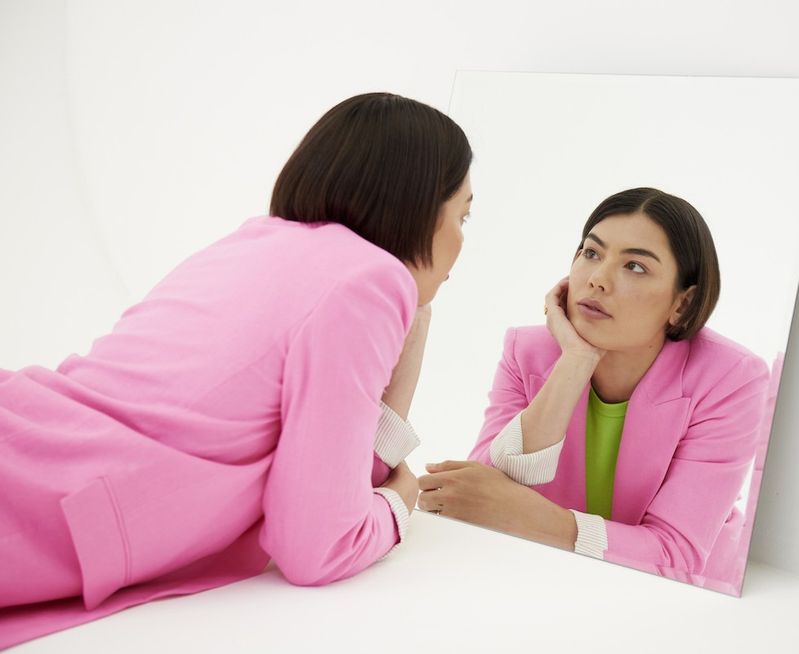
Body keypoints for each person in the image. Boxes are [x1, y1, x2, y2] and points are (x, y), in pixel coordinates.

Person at [0, 92, 472, 648]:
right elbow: (320, 543)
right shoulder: (368, 280)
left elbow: (335, 474)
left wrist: (415, 320)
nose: (463, 241)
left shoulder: (256, 243)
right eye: (462, 215)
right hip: (41, 498)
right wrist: (398, 505)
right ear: (419, 207)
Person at [418, 187, 769, 594]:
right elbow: (478, 499)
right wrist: (575, 362)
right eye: (591, 253)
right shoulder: (527, 351)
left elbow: (675, 554)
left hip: (680, 599)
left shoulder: (731, 378)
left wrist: (540, 520)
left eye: (635, 266)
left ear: (683, 304)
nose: (597, 279)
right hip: (550, 580)